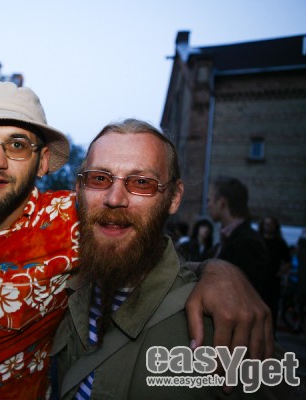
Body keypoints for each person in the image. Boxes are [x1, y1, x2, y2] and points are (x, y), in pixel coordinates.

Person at [0, 82, 273, 399]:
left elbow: (140, 238)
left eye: (17, 145)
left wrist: (219, 270)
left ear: (42, 163)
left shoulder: (71, 219)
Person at [52, 119, 293, 399]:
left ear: (174, 198)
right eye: (99, 179)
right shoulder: (51, 285)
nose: (115, 198)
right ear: (79, 188)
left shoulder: (220, 329)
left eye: (141, 182)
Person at [207, 176, 269, 296]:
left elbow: (247, 293)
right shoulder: (227, 237)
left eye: (209, 200)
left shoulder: (249, 243)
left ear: (222, 202)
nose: (208, 205)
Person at [259, 216, 292, 333]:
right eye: (266, 224)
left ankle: (270, 334)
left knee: (271, 308)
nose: (268, 226)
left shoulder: (280, 243)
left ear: (275, 226)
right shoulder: (257, 241)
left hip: (273, 282)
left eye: (271, 224)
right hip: (258, 281)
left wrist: (280, 273)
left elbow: (288, 262)